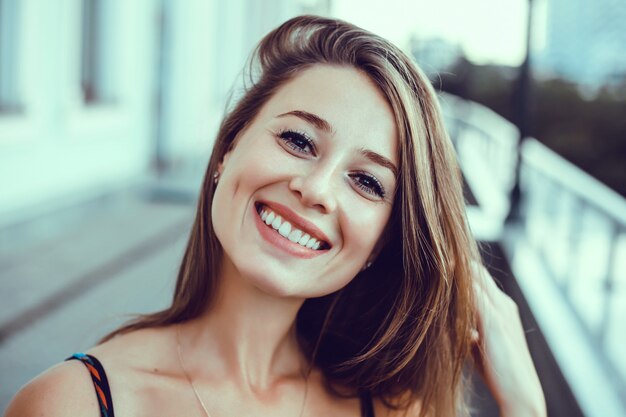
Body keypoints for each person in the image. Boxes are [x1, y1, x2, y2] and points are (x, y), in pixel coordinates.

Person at [5, 15, 545, 417]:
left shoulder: (392, 410)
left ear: (380, 243)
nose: (315, 190)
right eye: (297, 139)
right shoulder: (75, 404)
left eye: (366, 181)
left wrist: (523, 404)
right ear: (227, 151)